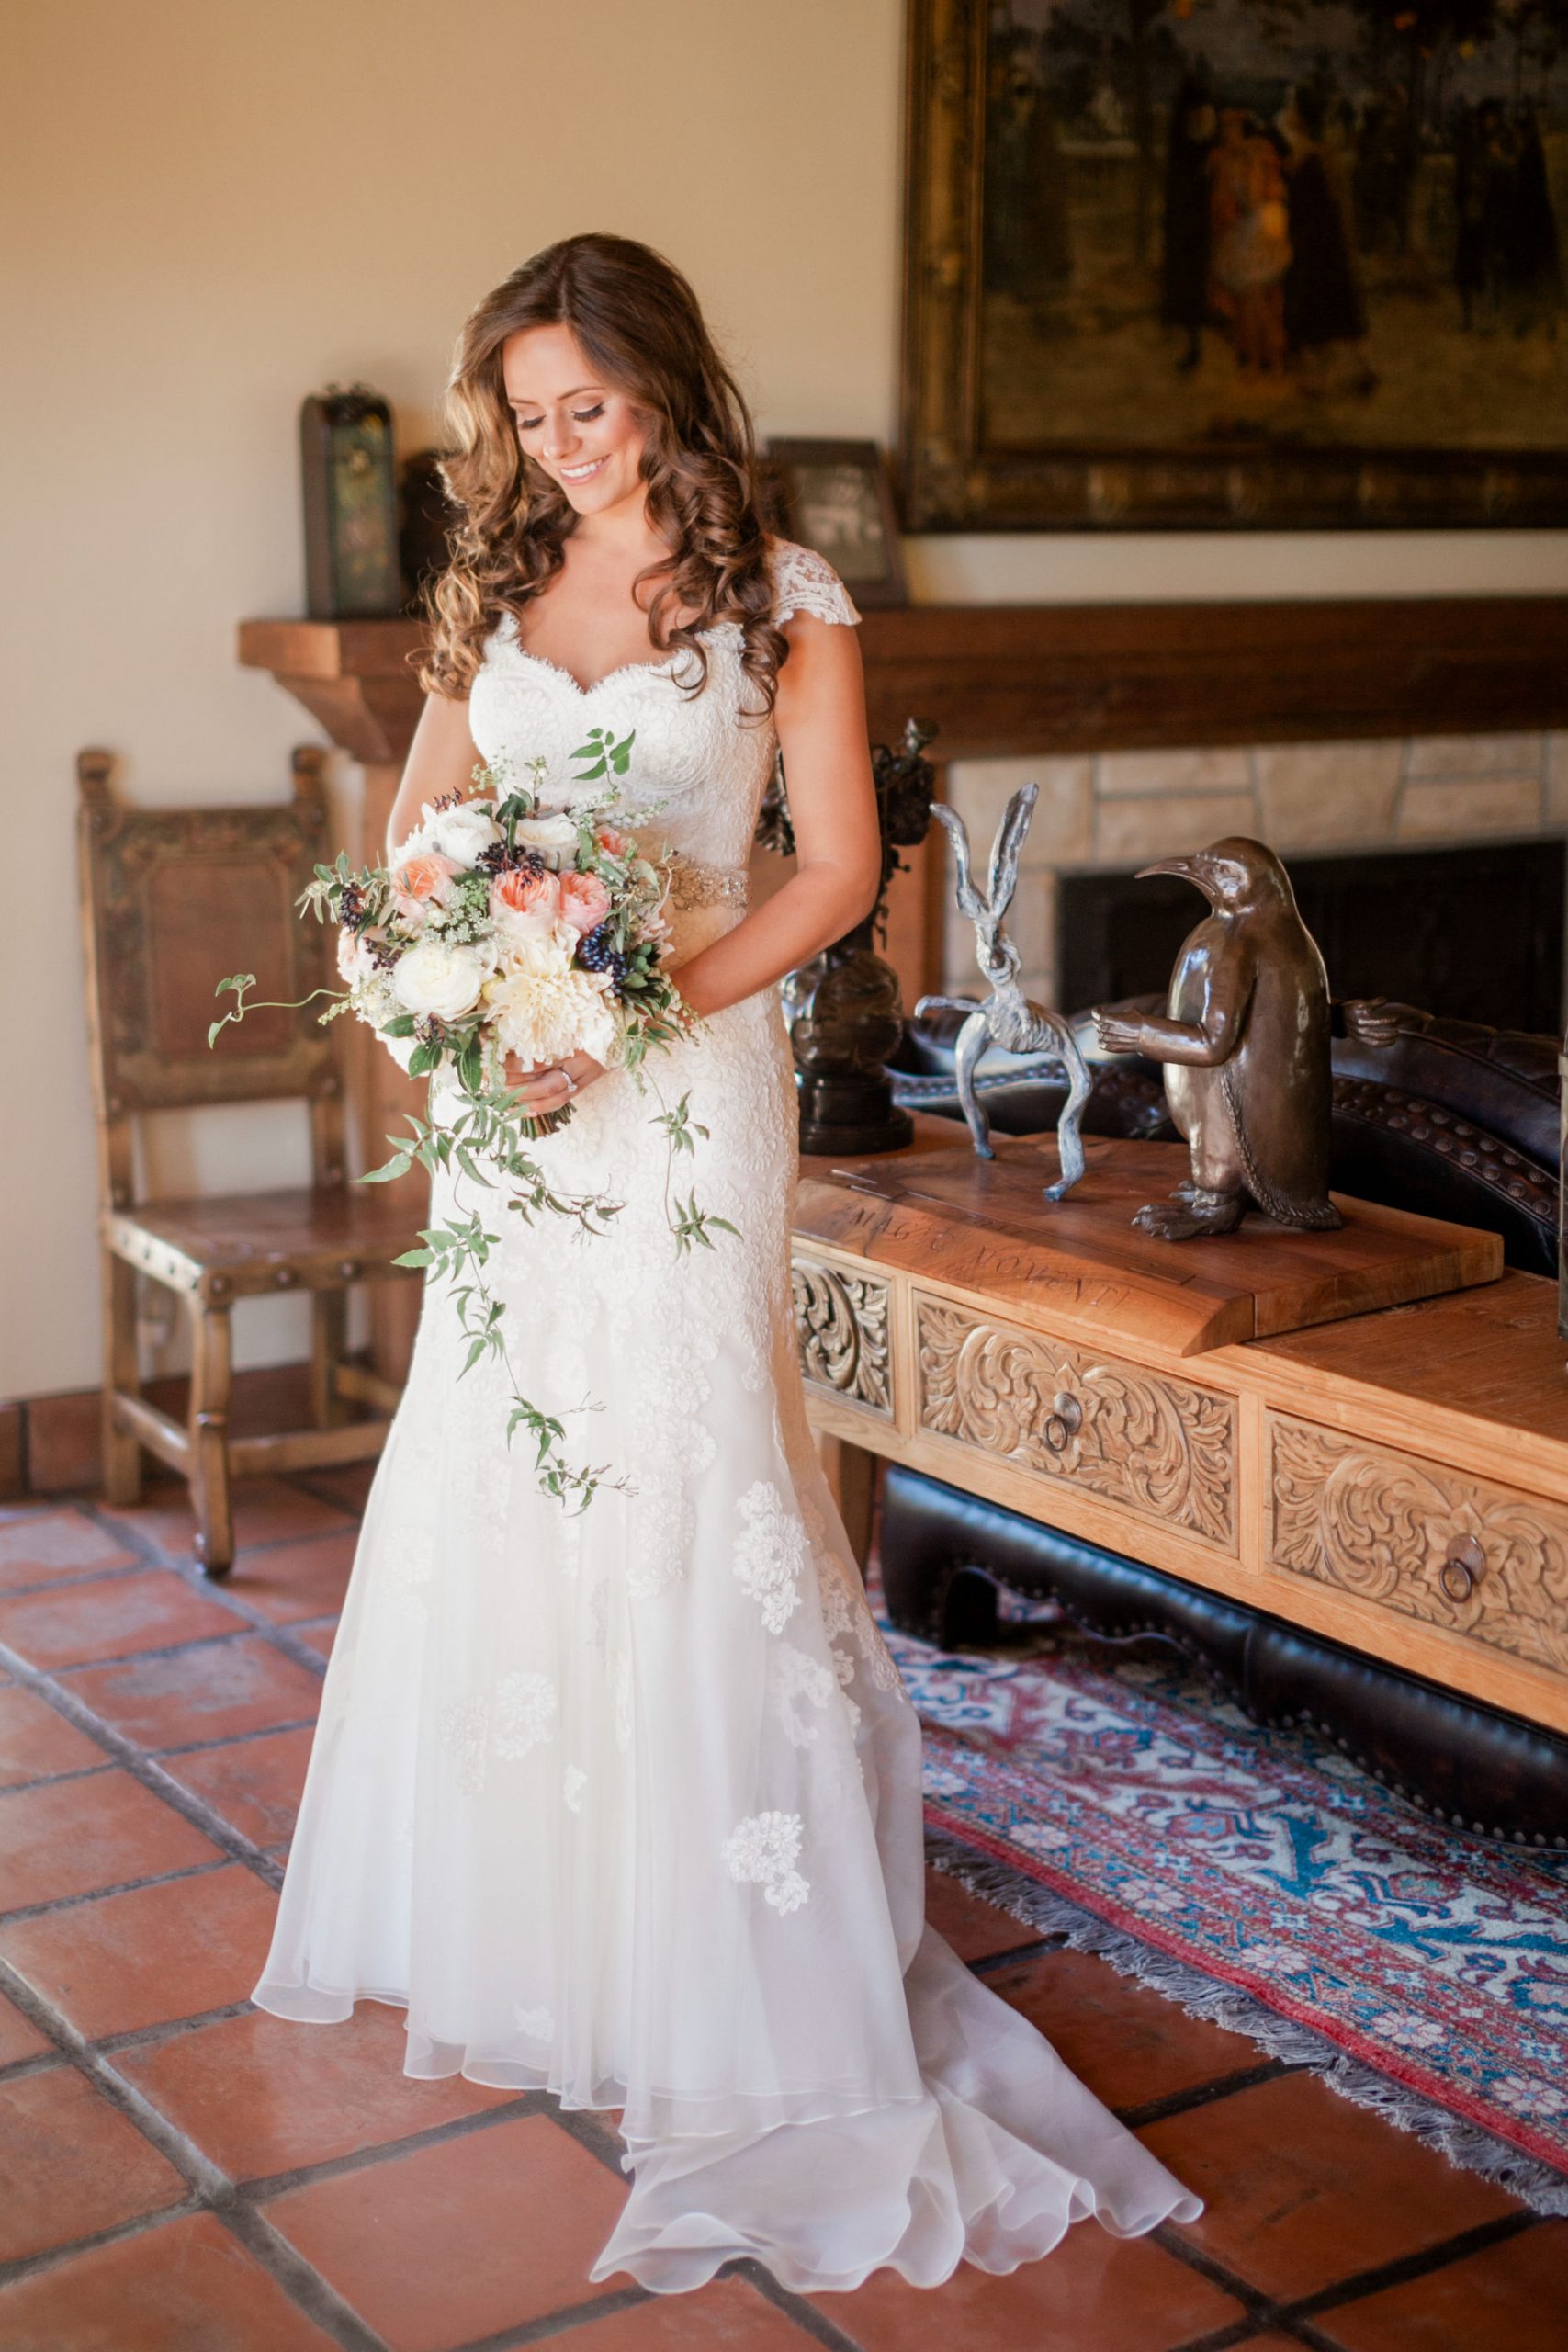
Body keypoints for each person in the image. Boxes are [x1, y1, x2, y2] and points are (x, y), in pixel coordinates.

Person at [250, 231, 1201, 2296]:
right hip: (519, 1103)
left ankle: (727, 1948)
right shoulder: (492, 582)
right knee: (514, 1449)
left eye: (587, 405)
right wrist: (442, 986)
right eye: (527, 415)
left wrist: (636, 1003)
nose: (559, 445)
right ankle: (558, 1922)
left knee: (692, 1467)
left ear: (665, 382)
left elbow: (838, 868)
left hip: (682, 1090)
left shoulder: (784, 599)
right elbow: (415, 833)